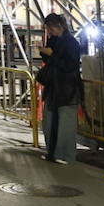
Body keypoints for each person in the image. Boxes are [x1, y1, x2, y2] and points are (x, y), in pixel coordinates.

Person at [39, 13, 83, 165]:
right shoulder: (54, 40)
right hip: (54, 87)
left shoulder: (71, 43)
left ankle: (66, 155)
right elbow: (51, 60)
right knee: (49, 122)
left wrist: (52, 55)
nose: (49, 32)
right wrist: (46, 53)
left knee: (66, 124)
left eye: (50, 29)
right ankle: (53, 152)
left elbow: (69, 66)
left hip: (67, 88)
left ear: (59, 26)